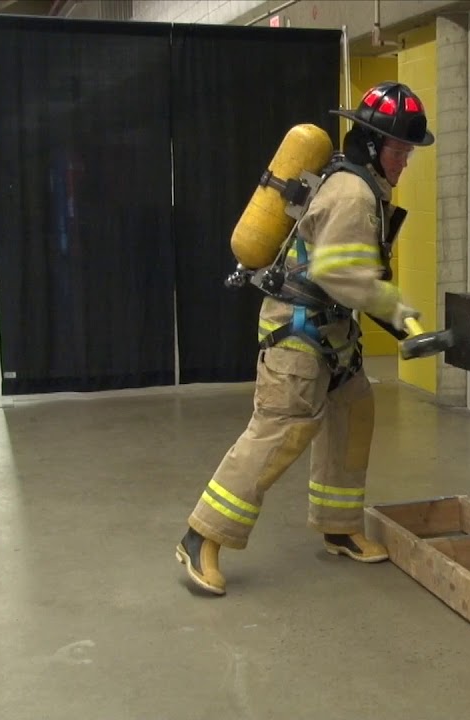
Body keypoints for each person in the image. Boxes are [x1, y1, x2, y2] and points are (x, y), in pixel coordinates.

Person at [175, 82, 435, 596]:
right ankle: (200, 536)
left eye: (407, 152)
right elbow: (342, 275)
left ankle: (338, 527)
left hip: (330, 333)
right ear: (371, 143)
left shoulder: (361, 186)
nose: (404, 162)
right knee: (280, 431)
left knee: (353, 408)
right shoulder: (355, 194)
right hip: (299, 336)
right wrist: (404, 316)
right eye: (399, 150)